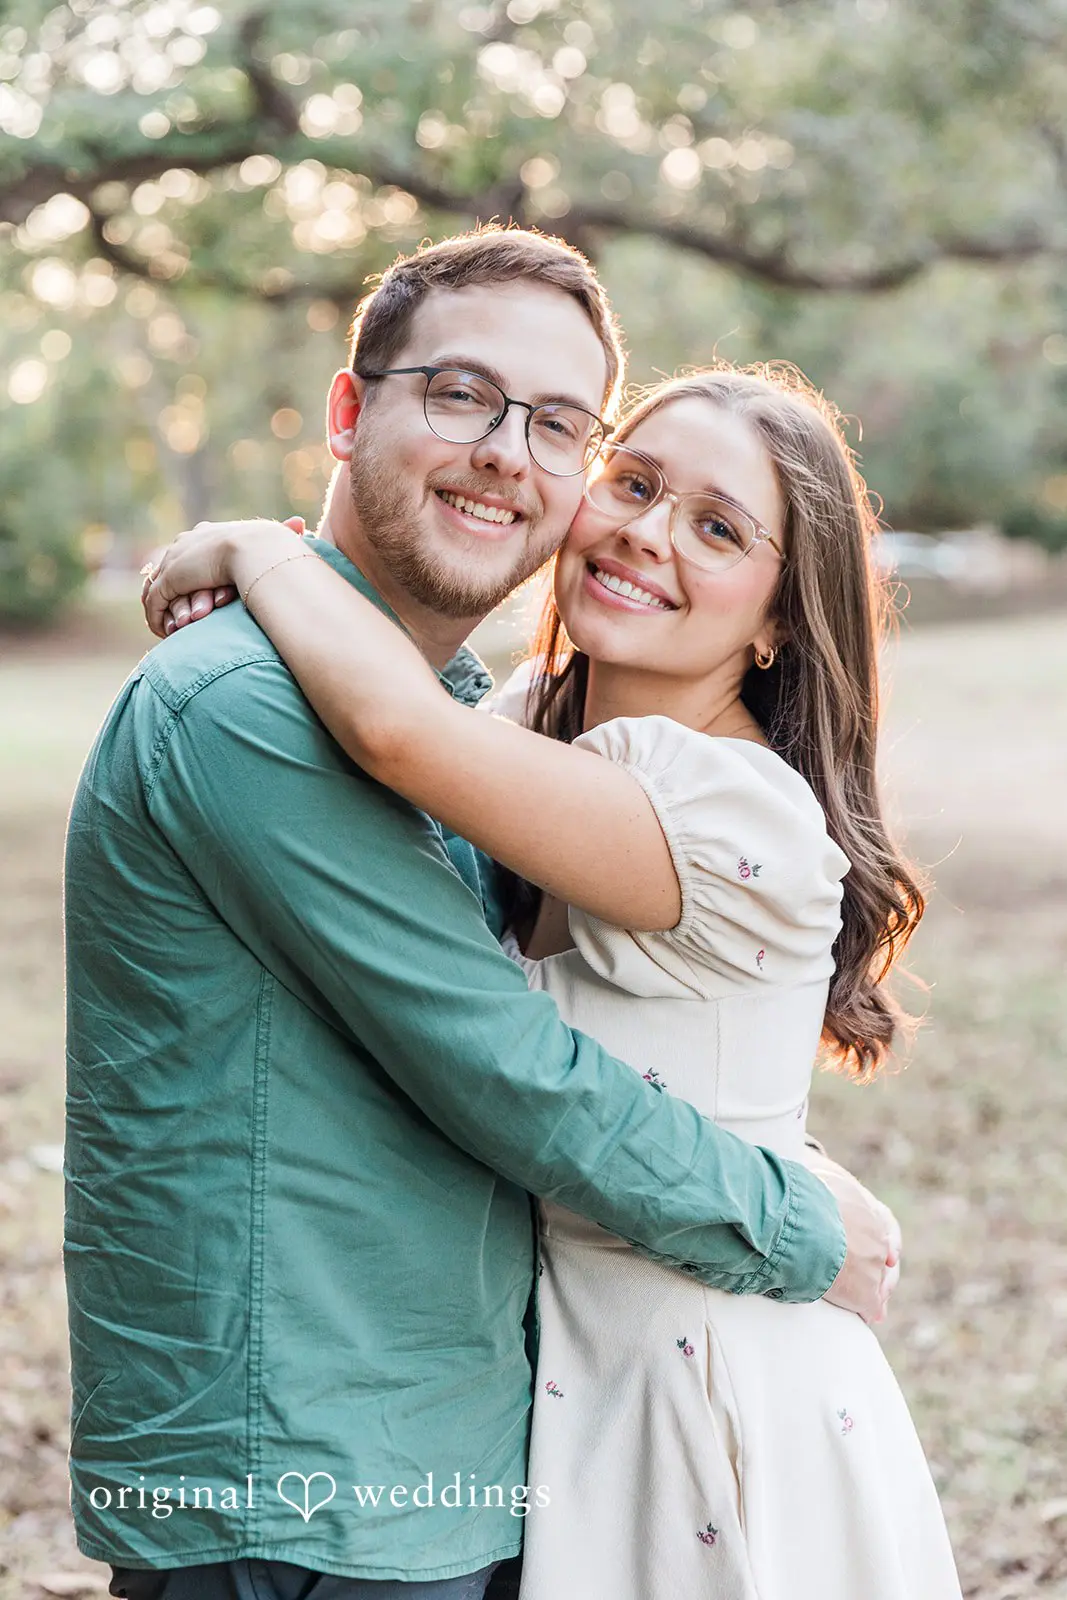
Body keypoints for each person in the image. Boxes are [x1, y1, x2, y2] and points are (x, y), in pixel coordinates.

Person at [67, 227, 894, 1600]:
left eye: (558, 425)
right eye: (459, 394)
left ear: (775, 624)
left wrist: (256, 554)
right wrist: (802, 1223)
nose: (508, 451)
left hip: (532, 1445)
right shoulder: (253, 709)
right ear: (347, 413)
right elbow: (509, 1070)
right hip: (302, 1492)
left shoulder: (489, 739)